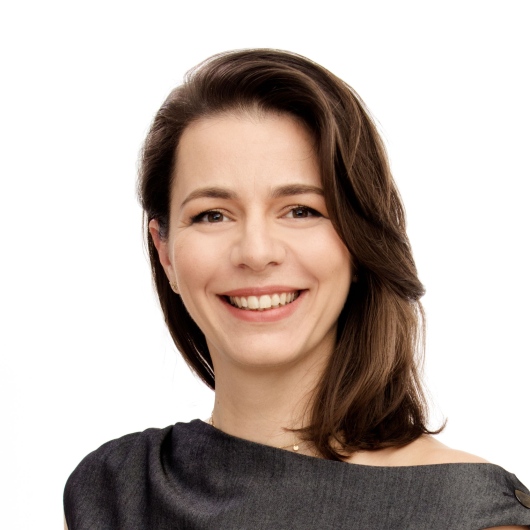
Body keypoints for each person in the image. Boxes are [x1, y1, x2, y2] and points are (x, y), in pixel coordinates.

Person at [64, 49, 530, 529]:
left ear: (359, 240)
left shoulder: (467, 513)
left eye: (301, 210)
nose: (256, 252)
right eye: (212, 215)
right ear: (165, 251)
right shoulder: (113, 492)